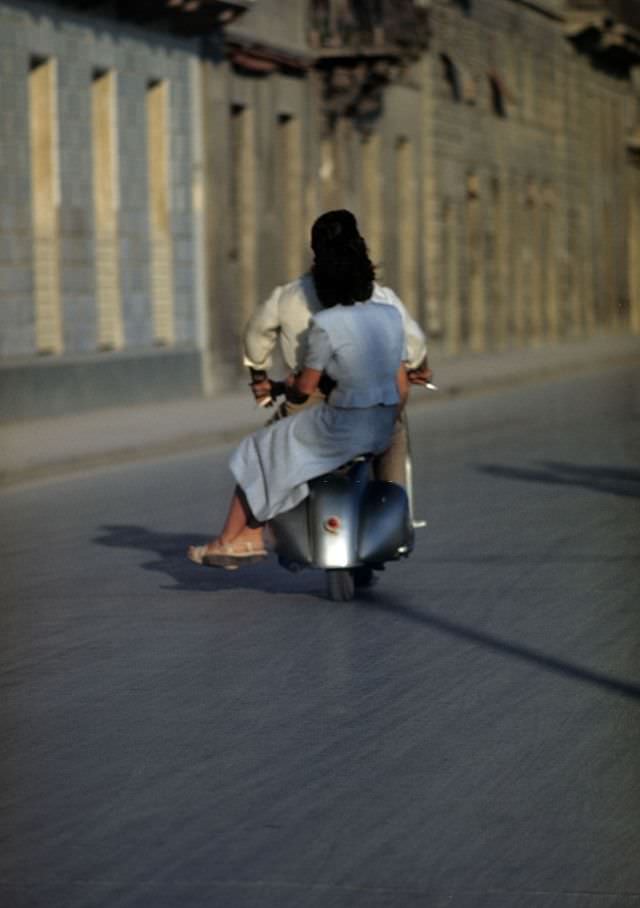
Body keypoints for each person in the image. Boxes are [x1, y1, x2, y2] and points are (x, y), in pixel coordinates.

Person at [187, 210, 410, 570]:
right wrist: (387, 418)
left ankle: (231, 540)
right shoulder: (389, 315)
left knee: (259, 448)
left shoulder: (324, 324)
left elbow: (304, 386)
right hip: (382, 423)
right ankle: (394, 517)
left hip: (342, 426)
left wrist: (280, 384)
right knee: (394, 442)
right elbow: (401, 383)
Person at [243, 210, 432, 486]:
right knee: (394, 432)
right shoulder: (382, 299)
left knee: (262, 457)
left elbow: (256, 333)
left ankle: (250, 526)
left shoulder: (290, 296)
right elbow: (413, 346)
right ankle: (395, 497)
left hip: (309, 399)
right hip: (369, 401)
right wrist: (418, 368)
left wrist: (259, 377)